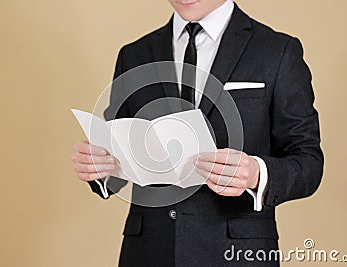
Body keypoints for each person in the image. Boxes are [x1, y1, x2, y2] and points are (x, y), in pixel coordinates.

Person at [71, 1, 323, 266]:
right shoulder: (134, 54)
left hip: (237, 253)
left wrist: (256, 173)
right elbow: (119, 152)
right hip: (148, 250)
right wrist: (99, 167)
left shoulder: (277, 50)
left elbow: (308, 160)